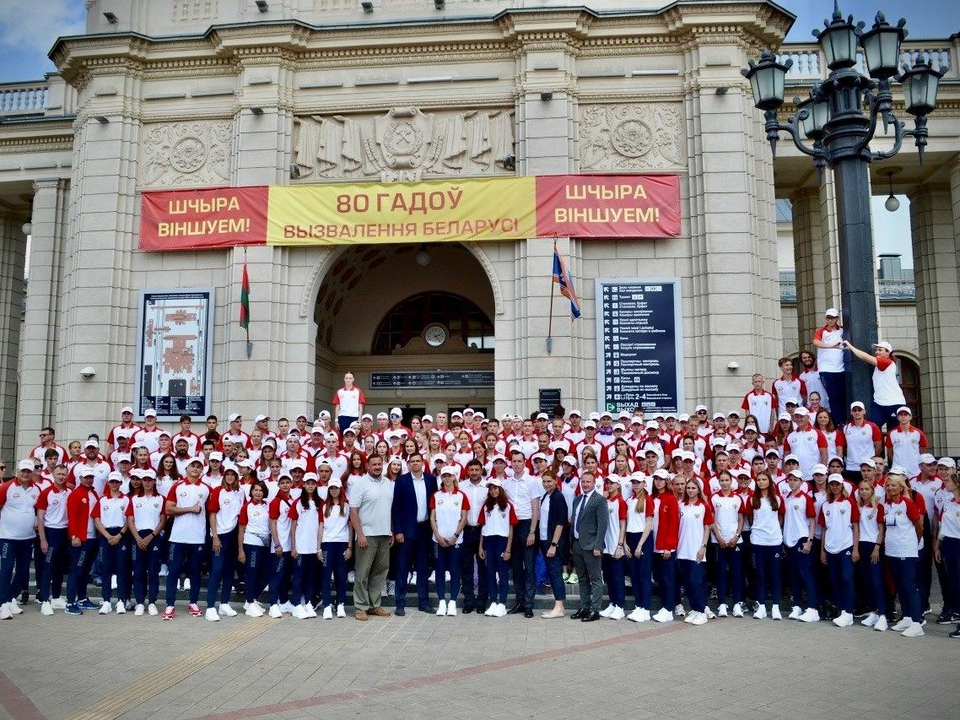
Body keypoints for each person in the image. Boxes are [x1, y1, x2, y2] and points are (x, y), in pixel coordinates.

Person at [162, 457, 211, 620]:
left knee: (195, 572)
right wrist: (190, 508)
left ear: (202, 470)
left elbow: (211, 513)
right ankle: (170, 605)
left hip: (197, 537)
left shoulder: (206, 488)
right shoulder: (176, 486)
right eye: (193, 466)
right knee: (174, 571)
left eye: (198, 467)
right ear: (187, 468)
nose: (195, 469)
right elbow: (168, 509)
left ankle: (193, 602)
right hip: (178, 536)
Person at [391, 452, 437, 615]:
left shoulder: (431, 480)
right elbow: (396, 508)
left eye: (418, 461)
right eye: (413, 461)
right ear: (409, 464)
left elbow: (434, 504)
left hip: (424, 530)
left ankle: (423, 602)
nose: (415, 464)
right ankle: (400, 603)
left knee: (423, 567)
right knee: (402, 567)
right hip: (406, 530)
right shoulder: (402, 481)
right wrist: (398, 531)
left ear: (422, 463)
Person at [350, 455, 395, 621]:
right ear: (367, 465)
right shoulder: (360, 484)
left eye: (379, 464)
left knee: (380, 572)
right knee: (363, 572)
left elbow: (388, 509)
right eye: (374, 464)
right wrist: (360, 534)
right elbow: (353, 512)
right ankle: (361, 607)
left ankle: (374, 605)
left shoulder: (388, 483)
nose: (377, 467)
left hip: (384, 533)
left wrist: (390, 530)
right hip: (367, 535)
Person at [0, 460, 41, 619]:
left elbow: (37, 510)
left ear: (32, 473)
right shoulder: (7, 487)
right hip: (8, 537)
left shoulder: (35, 489)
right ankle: (3, 604)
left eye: (28, 471)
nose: (25, 474)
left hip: (27, 538)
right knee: (7, 569)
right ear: (18, 471)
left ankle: (10, 599)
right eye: (23, 471)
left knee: (23, 572)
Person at [819, 473, 860, 628]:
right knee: (835, 580)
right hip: (830, 547)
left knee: (847, 579)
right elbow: (824, 528)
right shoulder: (826, 505)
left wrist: (855, 548)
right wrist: (822, 550)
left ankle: (848, 612)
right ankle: (841, 609)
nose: (835, 487)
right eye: (832, 484)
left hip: (846, 546)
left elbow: (855, 526)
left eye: (837, 484)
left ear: (842, 485)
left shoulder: (849, 503)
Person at [205, 467, 245, 621]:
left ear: (236, 477)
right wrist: (215, 536)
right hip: (220, 535)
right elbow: (212, 514)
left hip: (233, 536)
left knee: (229, 571)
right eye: (227, 474)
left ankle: (224, 604)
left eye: (232, 475)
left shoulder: (241, 493)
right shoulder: (217, 491)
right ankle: (210, 606)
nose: (229, 477)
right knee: (216, 570)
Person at [569, 471, 608, 622]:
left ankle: (595, 610)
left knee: (595, 579)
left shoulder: (599, 500)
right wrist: (572, 543)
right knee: (582, 579)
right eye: (583, 481)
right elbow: (575, 521)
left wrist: (598, 545)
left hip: (592, 546)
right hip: (578, 544)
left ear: (594, 483)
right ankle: (585, 607)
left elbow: (602, 524)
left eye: (588, 482)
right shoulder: (577, 499)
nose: (585, 484)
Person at [841, 339, 906, 431]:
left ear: (888, 353)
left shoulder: (887, 362)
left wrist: (851, 347)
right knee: (872, 429)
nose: (877, 352)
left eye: (880, 350)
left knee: (894, 433)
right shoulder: (879, 365)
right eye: (876, 350)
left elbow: (866, 357)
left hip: (895, 403)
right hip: (879, 403)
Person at [430, 466, 469, 616]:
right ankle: (441, 602)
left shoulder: (461, 496)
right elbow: (432, 518)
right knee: (439, 570)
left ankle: (452, 602)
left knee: (454, 571)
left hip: (456, 541)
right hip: (438, 541)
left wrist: (455, 536)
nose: (446, 478)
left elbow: (464, 518)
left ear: (454, 477)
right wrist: (438, 536)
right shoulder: (436, 495)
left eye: (449, 476)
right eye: (444, 476)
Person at [127, 470, 165, 616]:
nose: (147, 482)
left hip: (153, 536)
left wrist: (151, 536)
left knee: (153, 572)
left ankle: (152, 602)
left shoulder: (160, 499)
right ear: (142, 481)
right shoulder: (135, 499)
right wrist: (137, 538)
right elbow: (130, 520)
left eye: (150, 480)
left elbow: (163, 520)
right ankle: (140, 602)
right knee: (138, 571)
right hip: (138, 537)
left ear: (154, 481)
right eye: (145, 480)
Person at [92, 472, 131, 615]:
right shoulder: (102, 500)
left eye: (117, 482)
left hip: (121, 536)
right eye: (112, 482)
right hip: (106, 536)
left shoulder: (126, 500)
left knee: (122, 569)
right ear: (108, 483)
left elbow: (129, 520)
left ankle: (120, 601)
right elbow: (97, 520)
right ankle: (107, 601)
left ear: (121, 483)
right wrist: (108, 536)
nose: (114, 485)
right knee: (106, 570)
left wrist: (119, 535)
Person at [478, 478, 516, 617]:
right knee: (490, 573)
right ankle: (493, 601)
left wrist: (508, 549)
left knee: (503, 573)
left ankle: (502, 603)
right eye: (491, 489)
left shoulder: (508, 505)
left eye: (496, 488)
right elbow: (483, 526)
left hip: (502, 541)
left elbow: (511, 529)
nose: (493, 491)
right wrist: (481, 547)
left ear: (500, 489)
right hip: (489, 541)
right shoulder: (486, 506)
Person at [63, 467, 99, 615]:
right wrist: (74, 536)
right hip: (81, 538)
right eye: (86, 477)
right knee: (76, 570)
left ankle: (82, 598)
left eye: (91, 477)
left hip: (93, 537)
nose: (89, 480)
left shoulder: (94, 493)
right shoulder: (76, 494)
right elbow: (71, 516)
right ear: (80, 478)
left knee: (85, 570)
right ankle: (70, 601)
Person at [36, 465, 71, 615]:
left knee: (59, 567)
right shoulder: (47, 492)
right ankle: (44, 600)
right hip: (51, 532)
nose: (61, 477)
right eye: (59, 474)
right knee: (48, 567)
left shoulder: (70, 492)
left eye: (64, 474)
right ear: (54, 475)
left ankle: (56, 597)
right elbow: (40, 517)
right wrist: (43, 539)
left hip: (65, 532)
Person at [710, 470, 745, 618]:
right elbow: (711, 520)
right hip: (719, 541)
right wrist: (718, 538)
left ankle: (737, 604)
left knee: (737, 573)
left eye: (727, 480)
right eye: (722, 480)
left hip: (735, 541)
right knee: (721, 573)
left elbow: (741, 519)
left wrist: (736, 536)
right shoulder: (713, 498)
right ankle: (722, 604)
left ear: (731, 481)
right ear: (718, 482)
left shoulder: (737, 498)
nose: (724, 483)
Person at [750, 471, 784, 620]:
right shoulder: (753, 499)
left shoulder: (777, 499)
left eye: (764, 479)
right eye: (759, 479)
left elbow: (781, 517)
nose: (761, 482)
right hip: (758, 541)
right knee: (760, 575)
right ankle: (762, 606)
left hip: (774, 541)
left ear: (770, 482)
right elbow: (751, 518)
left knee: (775, 575)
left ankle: (775, 607)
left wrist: (773, 530)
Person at [855, 478, 888, 632]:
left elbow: (881, 529)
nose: (864, 492)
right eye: (861, 489)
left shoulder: (878, 507)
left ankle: (883, 614)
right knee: (866, 581)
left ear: (872, 491)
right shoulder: (857, 507)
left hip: (874, 546)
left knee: (876, 581)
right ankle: (873, 611)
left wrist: (877, 547)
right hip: (861, 546)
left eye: (866, 489)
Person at [289, 474, 323, 619]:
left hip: (313, 547)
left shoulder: (320, 503)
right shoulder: (298, 502)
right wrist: (293, 547)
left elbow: (321, 525)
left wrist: (318, 547)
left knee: (311, 577)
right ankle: (297, 604)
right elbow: (293, 526)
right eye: (308, 483)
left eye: (313, 483)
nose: (310, 486)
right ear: (303, 484)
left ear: (316, 485)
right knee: (298, 577)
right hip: (301, 547)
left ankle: (308, 603)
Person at [933, 465, 960, 639]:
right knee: (954, 583)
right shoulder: (949, 503)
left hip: (958, 544)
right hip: (948, 544)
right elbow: (943, 527)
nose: (946, 483)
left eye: (949, 481)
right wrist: (937, 545)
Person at [537, 471, 568, 619]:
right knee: (552, 571)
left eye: (549, 481)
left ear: (555, 481)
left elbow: (561, 523)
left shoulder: (558, 497)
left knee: (555, 573)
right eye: (544, 481)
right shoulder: (546, 496)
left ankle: (559, 605)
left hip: (552, 542)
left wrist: (554, 544)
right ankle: (559, 606)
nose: (546, 484)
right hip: (544, 539)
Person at [459, 459, 488, 614]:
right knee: (466, 567)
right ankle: (469, 600)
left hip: (483, 531)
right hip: (466, 530)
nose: (474, 473)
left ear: (481, 470)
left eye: (477, 469)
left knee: (484, 567)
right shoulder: (461, 486)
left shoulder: (488, 487)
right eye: (472, 470)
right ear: (467, 471)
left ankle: (482, 600)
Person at [238, 480, 271, 617]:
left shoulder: (268, 506)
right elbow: (241, 529)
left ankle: (251, 598)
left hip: (266, 543)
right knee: (251, 573)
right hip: (251, 542)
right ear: (251, 491)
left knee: (266, 574)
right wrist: (240, 550)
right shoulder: (247, 507)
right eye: (255, 490)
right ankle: (250, 602)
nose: (258, 493)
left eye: (261, 490)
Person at [320, 478, 351, 619]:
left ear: (340, 489)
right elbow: (321, 526)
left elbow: (351, 527)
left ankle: (340, 604)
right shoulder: (324, 506)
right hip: (327, 543)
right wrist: (318, 548)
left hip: (342, 543)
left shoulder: (346, 505)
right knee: (326, 575)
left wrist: (350, 546)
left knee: (341, 575)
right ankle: (327, 605)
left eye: (336, 488)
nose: (334, 490)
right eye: (331, 488)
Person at [599, 476, 628, 620]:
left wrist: (620, 545)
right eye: (607, 483)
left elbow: (623, 525)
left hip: (616, 547)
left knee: (618, 578)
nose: (609, 485)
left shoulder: (621, 502)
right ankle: (612, 603)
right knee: (609, 577)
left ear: (618, 485)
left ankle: (620, 607)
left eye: (612, 483)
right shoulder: (606, 502)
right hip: (606, 547)